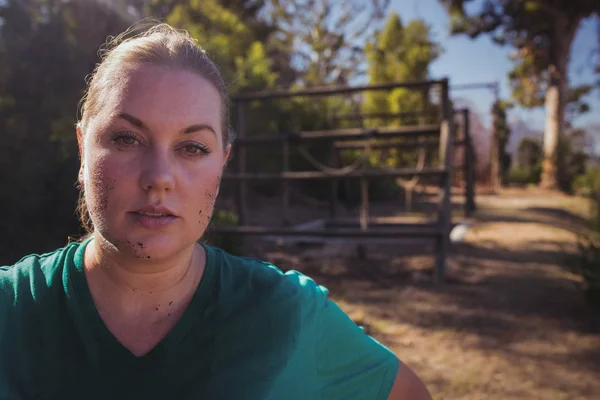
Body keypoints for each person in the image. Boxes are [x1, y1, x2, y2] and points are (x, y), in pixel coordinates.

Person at [0, 23, 432, 399]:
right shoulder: (10, 309)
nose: (160, 176)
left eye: (192, 147)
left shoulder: (286, 314)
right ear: (82, 149)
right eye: (127, 138)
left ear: (222, 163)